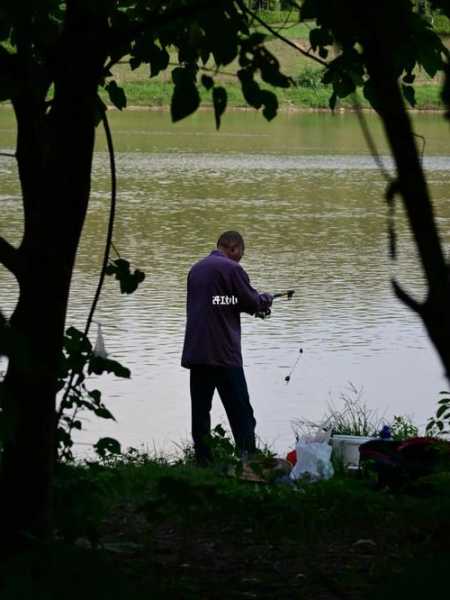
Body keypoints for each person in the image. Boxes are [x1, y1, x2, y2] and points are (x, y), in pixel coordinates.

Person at [181, 231, 273, 464]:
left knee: (201, 412)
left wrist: (245, 305)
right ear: (234, 248)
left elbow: (218, 302)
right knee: (241, 411)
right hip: (223, 354)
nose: (241, 258)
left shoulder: (196, 269)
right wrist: (264, 300)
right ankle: (249, 461)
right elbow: (249, 301)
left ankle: (203, 461)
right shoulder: (232, 269)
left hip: (197, 352)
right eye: (241, 253)